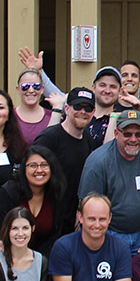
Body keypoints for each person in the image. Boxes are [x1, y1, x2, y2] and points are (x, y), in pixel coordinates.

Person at [79, 110, 140, 256]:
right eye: (127, 134)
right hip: (109, 235)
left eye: (138, 134)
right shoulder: (98, 161)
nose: (133, 139)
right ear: (116, 133)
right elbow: (88, 206)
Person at [35, 86, 96, 236]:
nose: (83, 112)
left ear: (93, 112)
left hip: (75, 220)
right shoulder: (49, 139)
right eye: (78, 106)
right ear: (67, 109)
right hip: (47, 220)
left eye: (88, 108)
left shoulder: (88, 140)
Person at [0, 145, 68, 256]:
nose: (39, 170)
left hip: (43, 260)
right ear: (24, 168)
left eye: (44, 165)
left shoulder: (56, 194)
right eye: (33, 165)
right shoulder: (9, 192)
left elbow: (55, 235)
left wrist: (38, 261)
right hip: (7, 256)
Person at [12, 69, 57, 144]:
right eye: (25, 86)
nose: (31, 90)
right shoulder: (9, 116)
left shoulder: (53, 116)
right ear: (18, 89)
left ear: (42, 89)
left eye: (36, 86)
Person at [86, 66, 123, 146]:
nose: (107, 91)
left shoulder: (122, 120)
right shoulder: (80, 114)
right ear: (93, 88)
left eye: (113, 87)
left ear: (120, 91)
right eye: (102, 85)